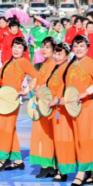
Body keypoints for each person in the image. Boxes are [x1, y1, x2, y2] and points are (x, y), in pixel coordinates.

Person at [58, 35, 93, 186]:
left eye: (81, 45)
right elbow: (66, 85)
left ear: (87, 47)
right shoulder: (72, 64)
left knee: (87, 139)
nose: (78, 49)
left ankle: (81, 172)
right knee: (82, 140)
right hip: (75, 108)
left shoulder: (89, 62)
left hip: (89, 106)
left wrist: (86, 92)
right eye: (76, 45)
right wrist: (61, 98)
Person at [0, 37, 37, 172]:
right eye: (15, 46)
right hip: (2, 99)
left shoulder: (24, 62)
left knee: (6, 129)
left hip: (13, 101)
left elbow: (36, 76)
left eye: (20, 47)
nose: (16, 49)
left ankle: (3, 158)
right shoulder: (7, 62)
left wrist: (26, 91)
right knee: (8, 129)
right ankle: (18, 160)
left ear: (24, 50)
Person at [30, 38, 58, 178]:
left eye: (47, 47)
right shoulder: (45, 64)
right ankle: (48, 164)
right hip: (41, 104)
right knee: (42, 134)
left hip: (47, 105)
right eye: (43, 46)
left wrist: (40, 88)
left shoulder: (53, 64)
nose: (44, 49)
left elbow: (49, 83)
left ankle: (48, 165)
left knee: (46, 134)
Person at [47, 41, 74, 181]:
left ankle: (63, 170)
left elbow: (65, 86)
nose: (56, 57)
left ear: (67, 55)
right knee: (58, 139)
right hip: (55, 109)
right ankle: (59, 166)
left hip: (62, 110)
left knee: (64, 139)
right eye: (55, 53)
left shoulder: (66, 69)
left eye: (60, 54)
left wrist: (57, 99)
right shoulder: (57, 68)